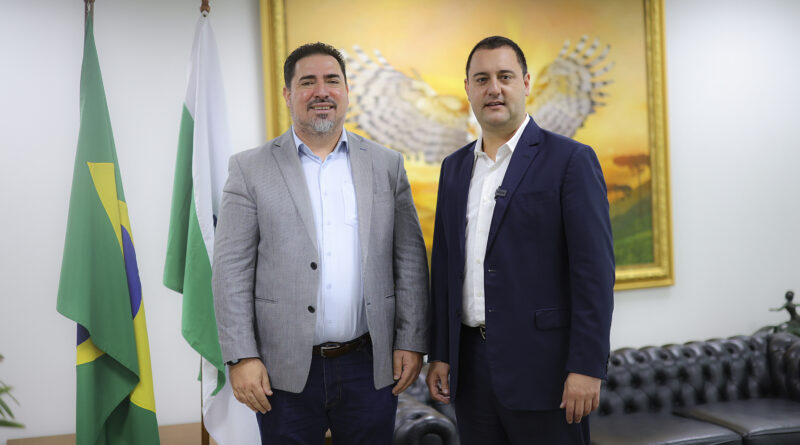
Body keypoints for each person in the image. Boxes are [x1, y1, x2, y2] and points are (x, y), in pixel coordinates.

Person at [212, 42, 429, 444]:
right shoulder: (249, 169)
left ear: (346, 90)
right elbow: (230, 271)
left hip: (369, 366)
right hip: (281, 372)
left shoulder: (386, 164)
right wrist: (241, 356)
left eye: (332, 80)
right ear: (288, 94)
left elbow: (410, 261)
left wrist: (412, 341)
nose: (321, 91)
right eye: (307, 82)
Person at [426, 36, 615, 445]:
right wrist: (440, 352)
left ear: (526, 83)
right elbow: (444, 267)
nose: (493, 88)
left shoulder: (570, 160)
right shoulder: (454, 168)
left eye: (505, 76)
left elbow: (594, 275)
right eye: (482, 79)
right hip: (470, 372)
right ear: (468, 89)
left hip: (545, 373)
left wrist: (587, 367)